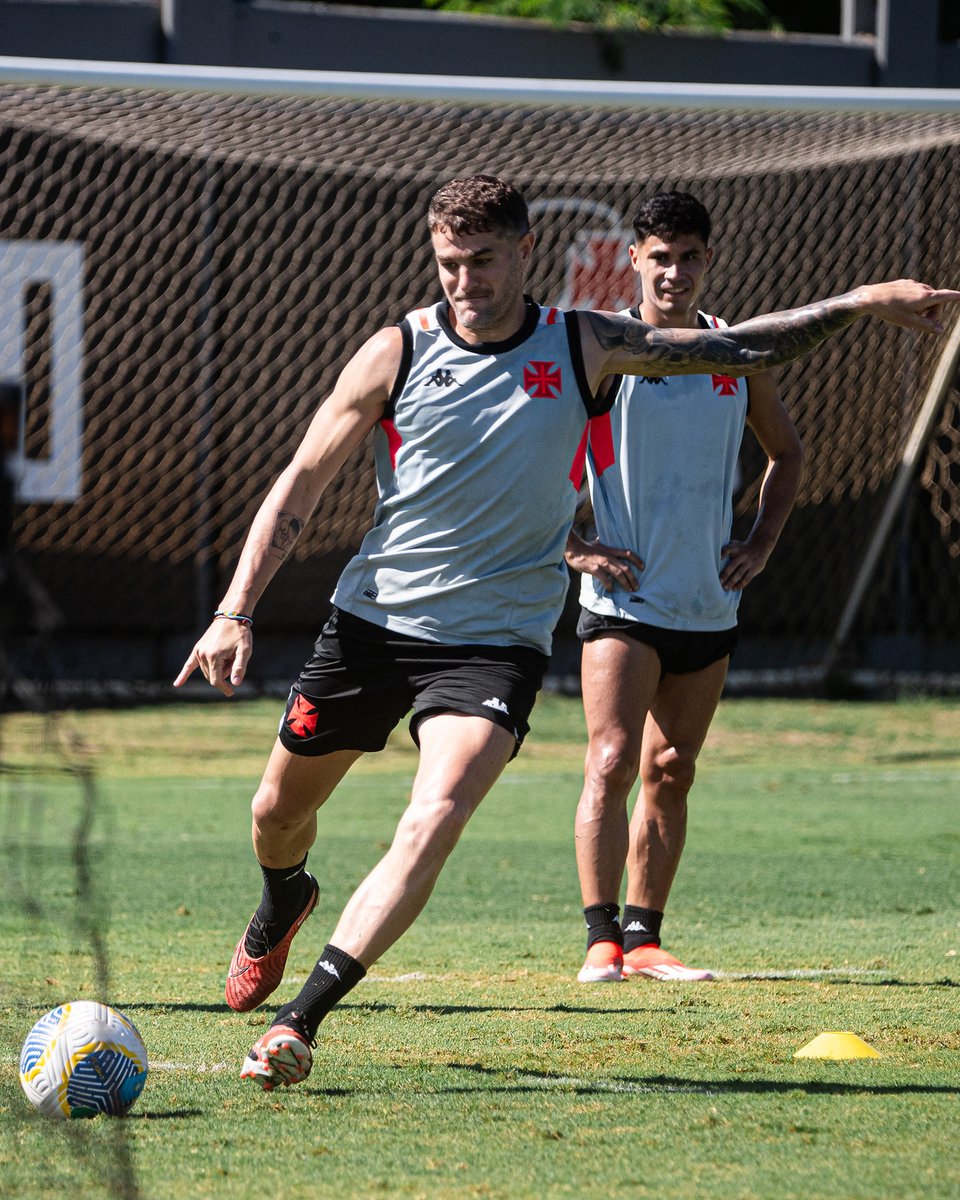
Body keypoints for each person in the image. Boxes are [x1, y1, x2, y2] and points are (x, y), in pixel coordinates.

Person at [173, 174, 959, 1092]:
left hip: (495, 643)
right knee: (277, 814)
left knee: (434, 818)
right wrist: (236, 610)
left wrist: (862, 303)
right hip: (373, 624)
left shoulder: (583, 345)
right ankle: (284, 896)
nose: (464, 282)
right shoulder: (396, 351)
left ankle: (299, 1020)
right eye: (448, 264)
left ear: (525, 255)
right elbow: (301, 482)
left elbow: (735, 347)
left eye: (483, 262)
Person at [566, 192, 803, 985]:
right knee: (611, 760)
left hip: (708, 602)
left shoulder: (734, 351)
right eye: (660, 256)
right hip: (624, 602)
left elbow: (788, 454)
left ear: (708, 260)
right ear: (633, 259)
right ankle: (601, 942)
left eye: (690, 255)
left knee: (673, 770)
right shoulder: (603, 350)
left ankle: (646, 940)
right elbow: (533, 452)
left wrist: (763, 544)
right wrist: (574, 546)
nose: (675, 270)